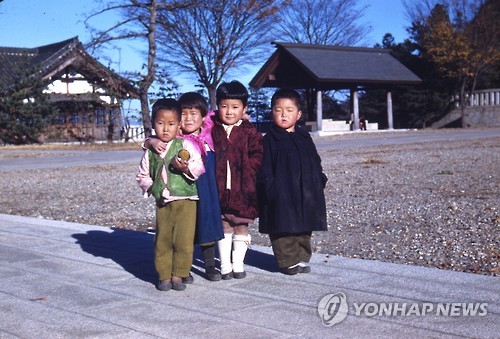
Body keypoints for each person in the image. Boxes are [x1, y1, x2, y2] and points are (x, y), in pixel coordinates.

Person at [145, 92, 224, 281]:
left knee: (206, 221)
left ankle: (210, 264)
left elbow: (223, 118)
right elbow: (150, 141)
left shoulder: (210, 134)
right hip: (181, 189)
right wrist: (151, 141)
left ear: (203, 117)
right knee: (184, 229)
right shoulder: (175, 136)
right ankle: (183, 269)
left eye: (194, 113)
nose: (188, 118)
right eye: (184, 114)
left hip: (205, 186)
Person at [136, 98, 205, 291]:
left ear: (179, 124)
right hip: (163, 203)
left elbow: (199, 167)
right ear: (153, 124)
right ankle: (164, 275)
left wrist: (185, 168)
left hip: (186, 200)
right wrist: (153, 188)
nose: (165, 129)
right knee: (163, 239)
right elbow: (142, 175)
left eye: (171, 124)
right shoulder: (151, 151)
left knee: (184, 240)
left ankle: (179, 274)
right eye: (160, 123)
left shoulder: (186, 146)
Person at [257, 89, 328, 275]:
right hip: (281, 191)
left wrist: (319, 178)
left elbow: (315, 160)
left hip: (305, 190)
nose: (283, 114)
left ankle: (302, 257)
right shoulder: (269, 140)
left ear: (298, 114)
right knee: (283, 227)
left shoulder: (304, 137)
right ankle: (287, 260)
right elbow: (264, 166)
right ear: (271, 112)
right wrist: (270, 187)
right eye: (278, 110)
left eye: (289, 110)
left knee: (304, 226)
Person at [211, 80, 263, 279]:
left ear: (244, 108)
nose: (229, 112)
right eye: (224, 106)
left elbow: (258, 155)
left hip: (243, 190)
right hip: (220, 189)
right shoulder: (213, 130)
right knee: (224, 226)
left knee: (241, 225)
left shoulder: (250, 131)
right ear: (217, 107)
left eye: (235, 107)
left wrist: (250, 171)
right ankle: (225, 264)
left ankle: (238, 264)